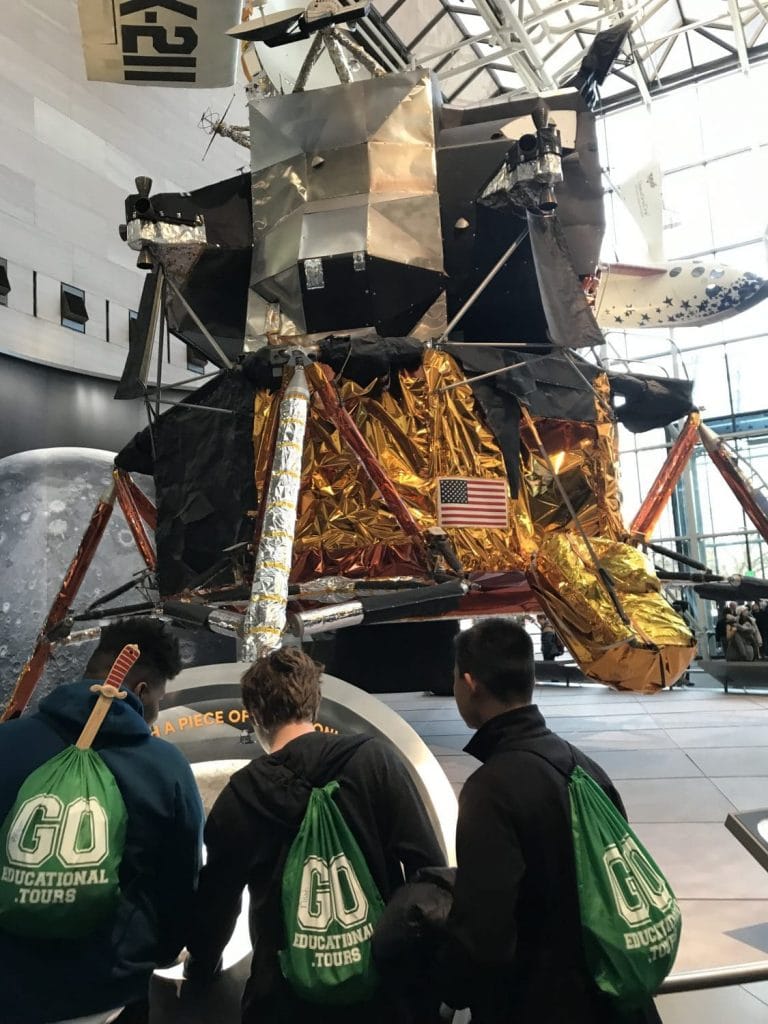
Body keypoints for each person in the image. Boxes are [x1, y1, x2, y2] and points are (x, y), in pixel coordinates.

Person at [185, 646, 446, 1024]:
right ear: (315, 704)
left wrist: (203, 963)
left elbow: (219, 903)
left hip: (284, 999)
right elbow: (428, 866)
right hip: (384, 993)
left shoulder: (242, 795)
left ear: (255, 715)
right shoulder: (374, 761)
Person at [437, 618, 662, 1024]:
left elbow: (484, 937)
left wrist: (448, 988)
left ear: (470, 684)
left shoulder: (490, 789)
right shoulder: (584, 766)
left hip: (542, 1003)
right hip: (612, 1002)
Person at [0, 617, 203, 1024]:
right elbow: (180, 883)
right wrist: (164, 952)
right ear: (142, 691)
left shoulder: (8, 743)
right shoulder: (165, 767)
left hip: (12, 992)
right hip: (112, 995)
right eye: (159, 701)